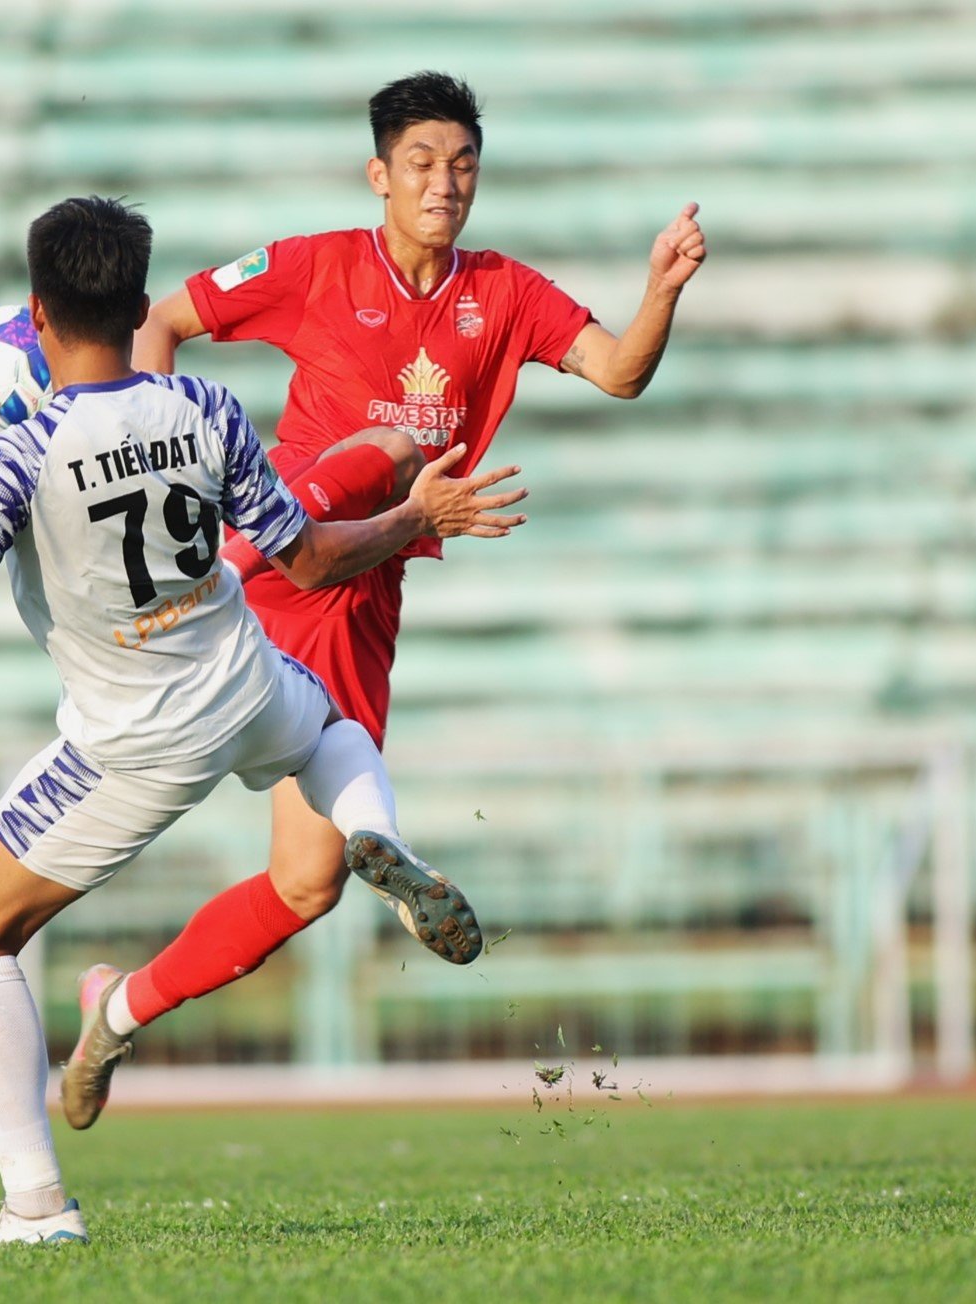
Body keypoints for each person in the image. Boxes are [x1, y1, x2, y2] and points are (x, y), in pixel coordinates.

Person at [0, 196, 525, 1244]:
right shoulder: (208, 407)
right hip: (246, 678)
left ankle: (35, 1204)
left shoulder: (17, 453)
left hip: (133, 741)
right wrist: (412, 517)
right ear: (140, 304)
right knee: (327, 734)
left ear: (34, 316)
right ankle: (384, 835)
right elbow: (310, 558)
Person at [68, 70, 708, 1095]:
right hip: (283, 542)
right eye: (420, 161)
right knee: (375, 472)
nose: (443, 182)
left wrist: (662, 291)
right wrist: (148, 438)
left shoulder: (502, 291)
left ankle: (115, 1008)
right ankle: (379, 830)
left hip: (367, 582)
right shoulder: (313, 265)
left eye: (461, 164)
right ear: (378, 174)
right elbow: (164, 319)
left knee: (303, 884)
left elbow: (619, 371)